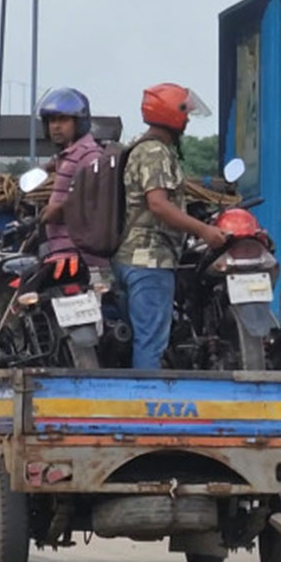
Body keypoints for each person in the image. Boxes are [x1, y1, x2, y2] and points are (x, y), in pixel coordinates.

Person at [113, 83, 228, 369]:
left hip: (131, 256)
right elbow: (159, 204)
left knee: (145, 337)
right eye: (185, 113)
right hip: (150, 259)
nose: (188, 119)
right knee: (151, 342)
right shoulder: (155, 152)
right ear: (171, 114)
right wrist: (204, 231)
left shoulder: (141, 148)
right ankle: (149, 408)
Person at [36, 87, 110, 285]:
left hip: (81, 256)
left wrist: (60, 209)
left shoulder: (89, 155)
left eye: (63, 120)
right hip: (62, 252)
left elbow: (96, 200)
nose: (56, 126)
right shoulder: (68, 156)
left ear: (79, 123)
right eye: (52, 121)